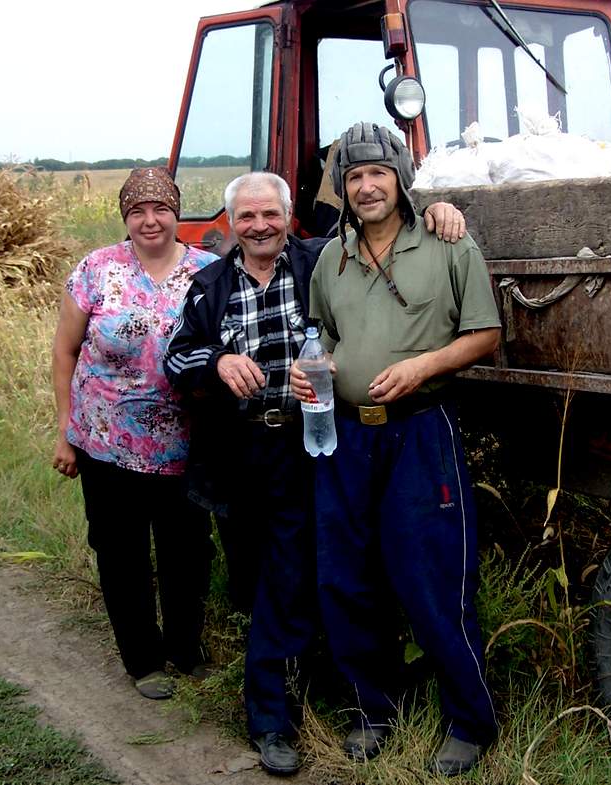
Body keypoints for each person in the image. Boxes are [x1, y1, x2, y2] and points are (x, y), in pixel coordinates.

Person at [165, 171, 465, 776]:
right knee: (280, 579)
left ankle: (366, 698)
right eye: (246, 217)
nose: (259, 226)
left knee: (353, 569)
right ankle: (272, 719)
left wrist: (439, 208)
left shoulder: (323, 259)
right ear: (230, 224)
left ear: (288, 216)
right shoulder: (208, 286)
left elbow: (384, 225)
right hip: (256, 449)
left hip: (332, 440)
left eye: (270, 214)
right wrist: (219, 360)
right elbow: (175, 355)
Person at [290, 122, 502, 777]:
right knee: (346, 576)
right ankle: (371, 710)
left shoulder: (446, 241)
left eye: (377, 173)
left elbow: (486, 332)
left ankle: (469, 722)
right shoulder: (332, 258)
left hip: (419, 430)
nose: (367, 186)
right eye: (354, 177)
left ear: (399, 177)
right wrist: (311, 368)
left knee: (432, 575)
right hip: (347, 435)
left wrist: (421, 366)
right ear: (345, 190)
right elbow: (324, 333)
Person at [51, 167, 217, 701]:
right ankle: (144, 661)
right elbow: (65, 352)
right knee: (121, 553)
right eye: (138, 211)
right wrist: (65, 432)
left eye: (161, 208)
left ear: (176, 212)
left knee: (187, 552)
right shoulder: (96, 270)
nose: (150, 220)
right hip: (106, 444)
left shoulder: (209, 272)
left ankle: (185, 650)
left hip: (186, 445)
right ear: (126, 217)